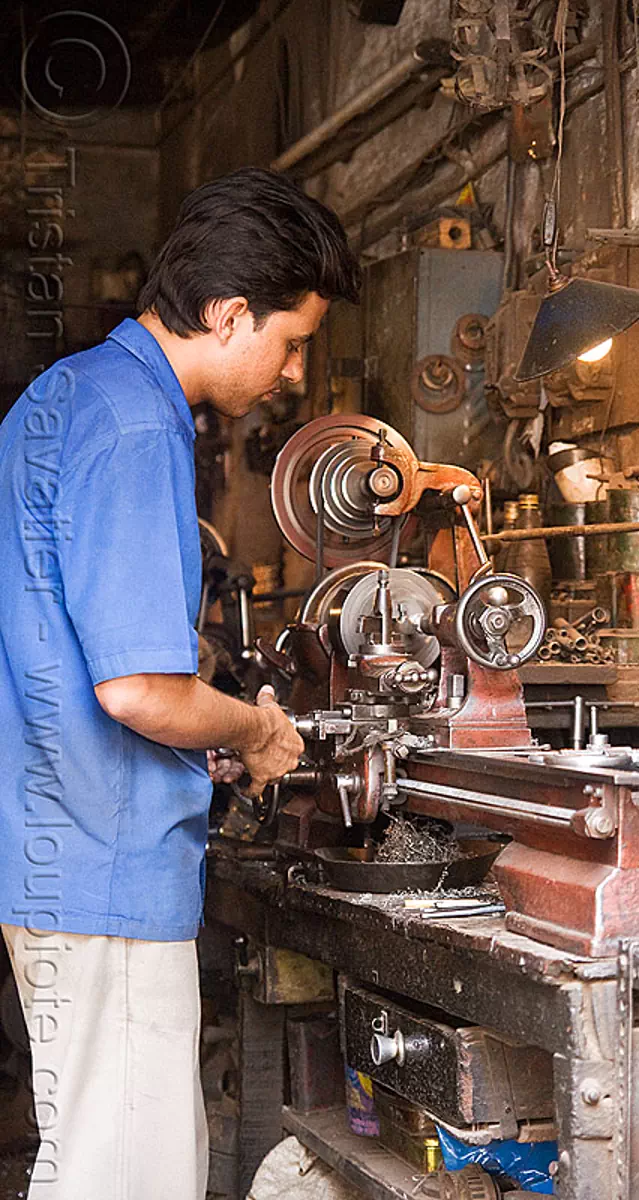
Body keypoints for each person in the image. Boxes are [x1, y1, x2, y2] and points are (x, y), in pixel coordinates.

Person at [0, 167, 361, 1200]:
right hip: (100, 863)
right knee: (131, 1176)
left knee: (92, 1160)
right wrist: (252, 730)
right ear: (229, 311)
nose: (294, 373)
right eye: (291, 341)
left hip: (50, 848)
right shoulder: (135, 422)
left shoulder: (60, 396)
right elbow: (137, 691)